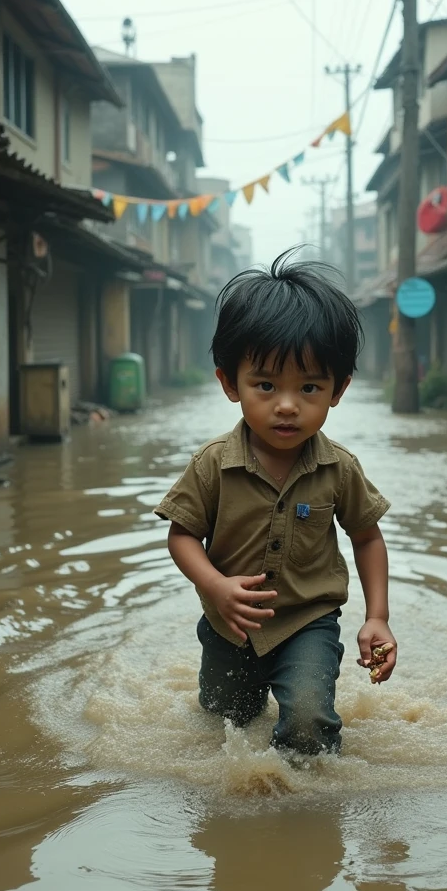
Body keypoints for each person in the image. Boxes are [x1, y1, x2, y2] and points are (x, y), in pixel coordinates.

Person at [154, 250, 397, 756]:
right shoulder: (213, 464)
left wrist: (378, 617)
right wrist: (216, 586)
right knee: (226, 726)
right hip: (230, 624)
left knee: (309, 725)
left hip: (309, 620)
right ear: (229, 383)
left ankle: (302, 814)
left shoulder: (340, 468)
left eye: (309, 387)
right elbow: (181, 536)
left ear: (338, 390)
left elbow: (367, 536)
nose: (287, 405)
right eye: (265, 385)